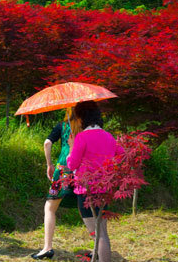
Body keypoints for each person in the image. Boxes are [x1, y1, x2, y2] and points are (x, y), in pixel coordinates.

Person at [67, 101, 124, 262]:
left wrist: (71, 148)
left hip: (86, 191)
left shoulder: (82, 137)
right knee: (102, 233)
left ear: (82, 118)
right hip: (104, 188)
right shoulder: (108, 136)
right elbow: (121, 155)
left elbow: (72, 164)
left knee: (96, 234)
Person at [31, 108, 78, 259]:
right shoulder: (86, 126)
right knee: (88, 207)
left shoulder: (62, 126)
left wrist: (49, 164)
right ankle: (97, 245)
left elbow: (47, 143)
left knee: (50, 207)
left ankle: (47, 248)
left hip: (63, 169)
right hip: (83, 169)